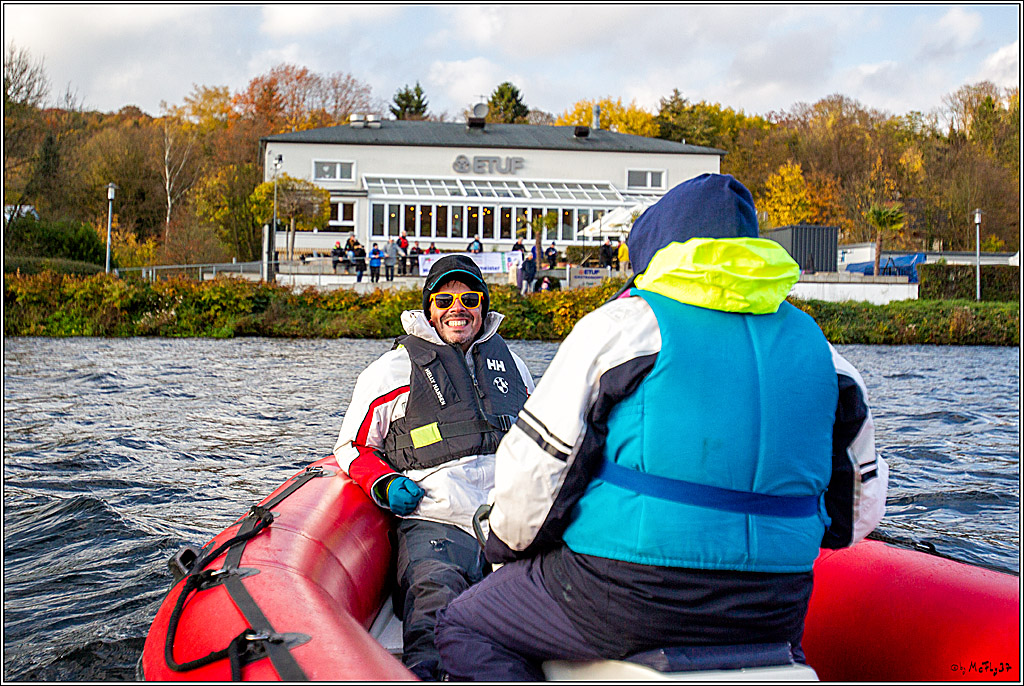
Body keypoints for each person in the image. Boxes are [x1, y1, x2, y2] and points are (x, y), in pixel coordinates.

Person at [435, 173, 888, 680]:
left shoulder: (623, 327)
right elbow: (858, 516)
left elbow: (536, 474)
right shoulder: (828, 357)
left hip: (630, 595)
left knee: (463, 624)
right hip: (776, 604)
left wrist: (502, 546)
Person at [333, 255, 535, 681]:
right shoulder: (392, 369)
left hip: (512, 522)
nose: (457, 307)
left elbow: (541, 442)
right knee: (435, 608)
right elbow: (352, 447)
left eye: (469, 297)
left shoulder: (514, 367)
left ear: (483, 305)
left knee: (539, 617)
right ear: (429, 308)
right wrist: (384, 484)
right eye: (445, 299)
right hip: (437, 519)